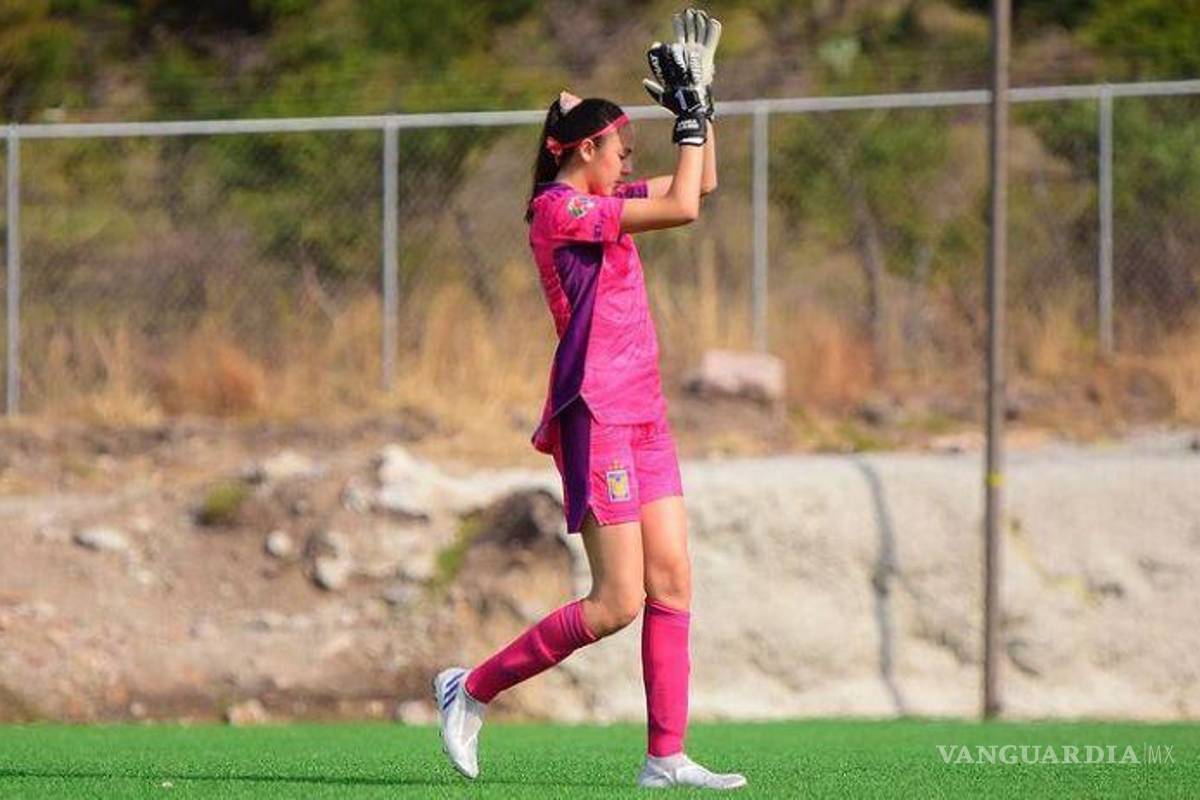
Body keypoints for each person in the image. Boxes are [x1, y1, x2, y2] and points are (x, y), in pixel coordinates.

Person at [434, 10, 745, 791]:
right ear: (583, 151)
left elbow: (695, 182)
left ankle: (665, 758)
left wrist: (697, 110)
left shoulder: (604, 200)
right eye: (620, 151)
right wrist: (693, 120)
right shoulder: (560, 211)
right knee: (616, 604)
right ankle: (469, 689)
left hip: (644, 412)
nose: (625, 163)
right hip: (595, 412)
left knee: (673, 581)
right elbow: (681, 207)